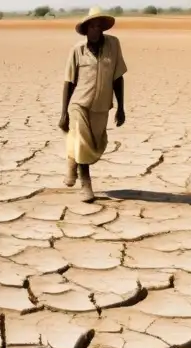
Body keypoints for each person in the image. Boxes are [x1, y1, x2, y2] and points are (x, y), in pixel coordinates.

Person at [59, 7, 127, 203]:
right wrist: (64, 112)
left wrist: (121, 107)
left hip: (102, 106)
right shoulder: (77, 51)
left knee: (94, 144)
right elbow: (69, 81)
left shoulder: (114, 46)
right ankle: (86, 184)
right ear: (86, 29)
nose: (97, 30)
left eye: (100, 26)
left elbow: (118, 77)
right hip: (79, 104)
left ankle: (72, 162)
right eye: (93, 26)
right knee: (82, 141)